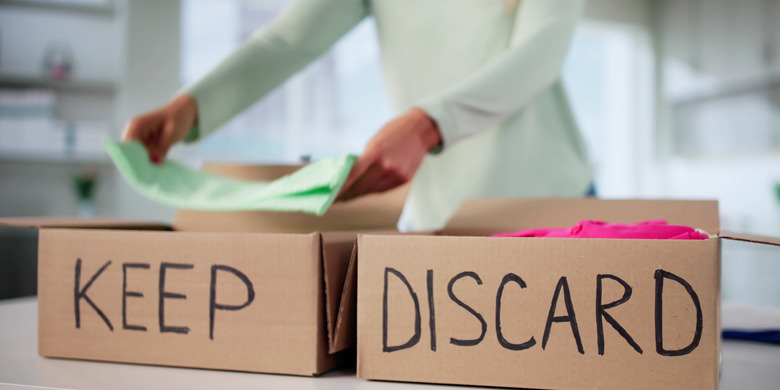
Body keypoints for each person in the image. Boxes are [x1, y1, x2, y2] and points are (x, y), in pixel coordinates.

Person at [122, 0, 592, 231]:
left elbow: (541, 52)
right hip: (441, 216)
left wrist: (426, 124)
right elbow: (288, 40)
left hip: (551, 200)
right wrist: (187, 107)